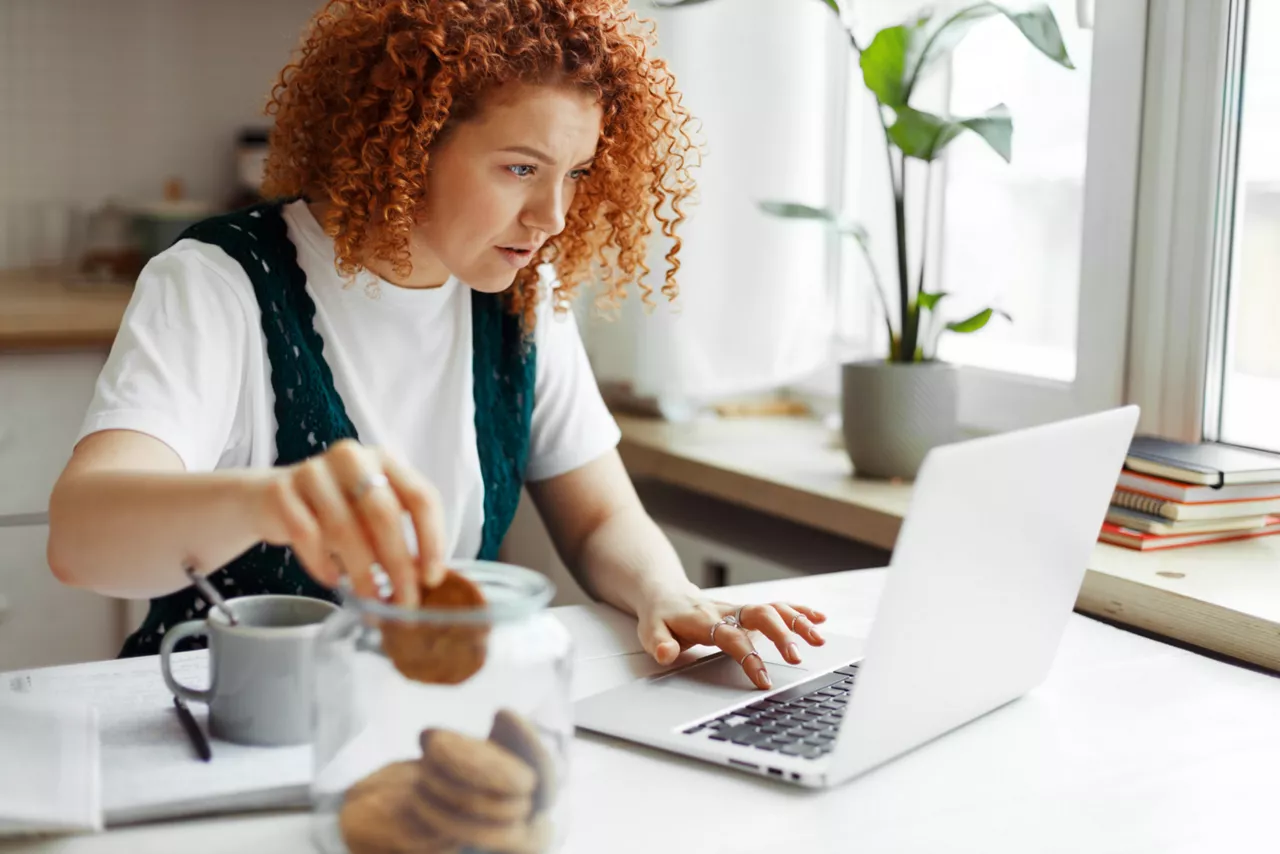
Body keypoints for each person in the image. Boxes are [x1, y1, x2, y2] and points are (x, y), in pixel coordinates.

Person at [47, 0, 826, 689]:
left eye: (578, 173)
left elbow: (597, 523)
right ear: (404, 142)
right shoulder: (219, 283)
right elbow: (83, 542)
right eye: (521, 167)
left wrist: (669, 591)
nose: (553, 215)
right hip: (221, 721)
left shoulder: (524, 297)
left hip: (410, 711)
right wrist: (274, 500)